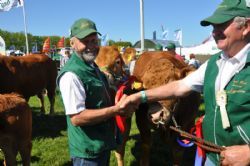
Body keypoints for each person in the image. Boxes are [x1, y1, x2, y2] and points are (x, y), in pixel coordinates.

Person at [120, 0, 250, 165]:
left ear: (246, 27)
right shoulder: (214, 64)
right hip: (212, 155)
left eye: (222, 25)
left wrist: (248, 153)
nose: (215, 32)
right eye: (213, 27)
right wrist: (141, 96)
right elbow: (180, 86)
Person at [57, 18, 134, 166]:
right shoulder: (71, 75)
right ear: (72, 44)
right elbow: (77, 118)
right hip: (87, 152)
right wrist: (116, 110)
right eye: (85, 41)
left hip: (100, 144)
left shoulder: (92, 67)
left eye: (94, 40)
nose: (91, 46)